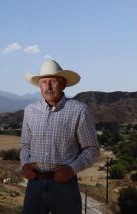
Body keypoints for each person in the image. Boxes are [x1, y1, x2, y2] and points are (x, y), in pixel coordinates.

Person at [20, 59, 100, 214]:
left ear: (63, 84)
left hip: (64, 186)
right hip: (34, 184)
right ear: (39, 85)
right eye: (43, 82)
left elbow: (92, 149)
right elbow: (25, 144)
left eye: (53, 81)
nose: (48, 87)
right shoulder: (30, 110)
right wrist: (25, 164)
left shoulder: (79, 111)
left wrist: (71, 169)